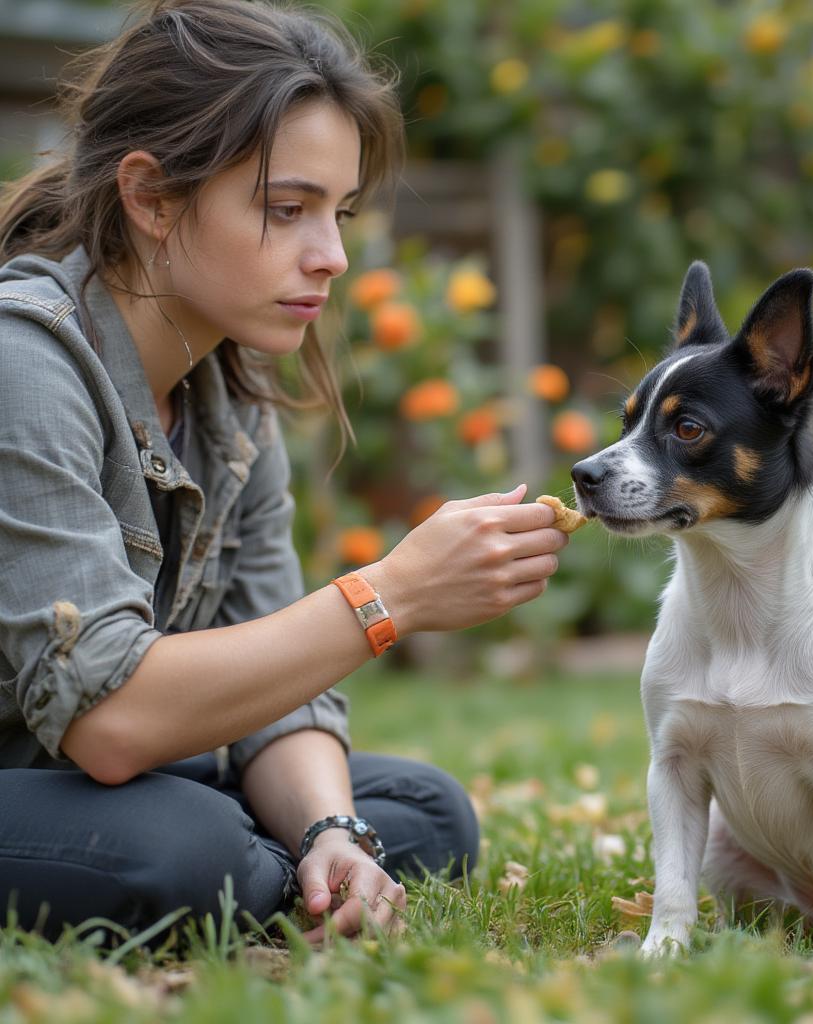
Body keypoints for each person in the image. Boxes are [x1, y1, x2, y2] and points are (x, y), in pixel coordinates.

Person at [0, 0, 568, 944]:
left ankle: (284, 877)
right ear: (150, 199)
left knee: (422, 812)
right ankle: (242, 876)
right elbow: (110, 721)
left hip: (84, 779)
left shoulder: (227, 393)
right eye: (287, 209)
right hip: (70, 767)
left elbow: (279, 681)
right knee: (184, 847)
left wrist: (328, 828)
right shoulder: (24, 361)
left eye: (338, 213)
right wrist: (391, 593)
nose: (333, 256)